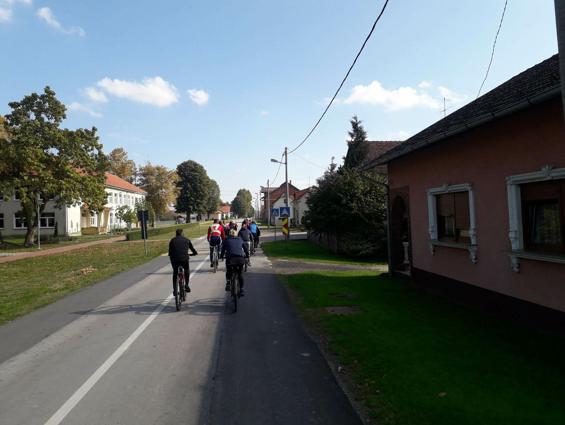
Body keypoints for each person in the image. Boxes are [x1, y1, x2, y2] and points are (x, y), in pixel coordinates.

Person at [168, 228, 198, 294]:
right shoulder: (187, 240)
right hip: (184, 259)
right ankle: (186, 285)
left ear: (176, 234)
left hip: (175, 260)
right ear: (182, 234)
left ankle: (175, 290)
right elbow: (192, 249)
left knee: (175, 272)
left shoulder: (172, 241)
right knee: (186, 270)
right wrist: (194, 253)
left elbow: (170, 253)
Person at [220, 229, 250, 295]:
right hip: (240, 259)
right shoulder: (240, 239)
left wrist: (221, 256)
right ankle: (241, 289)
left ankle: (228, 283)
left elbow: (223, 249)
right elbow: (245, 248)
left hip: (230, 259)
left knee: (229, 270)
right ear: (236, 234)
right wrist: (247, 255)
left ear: (229, 234)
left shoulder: (226, 240)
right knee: (240, 274)